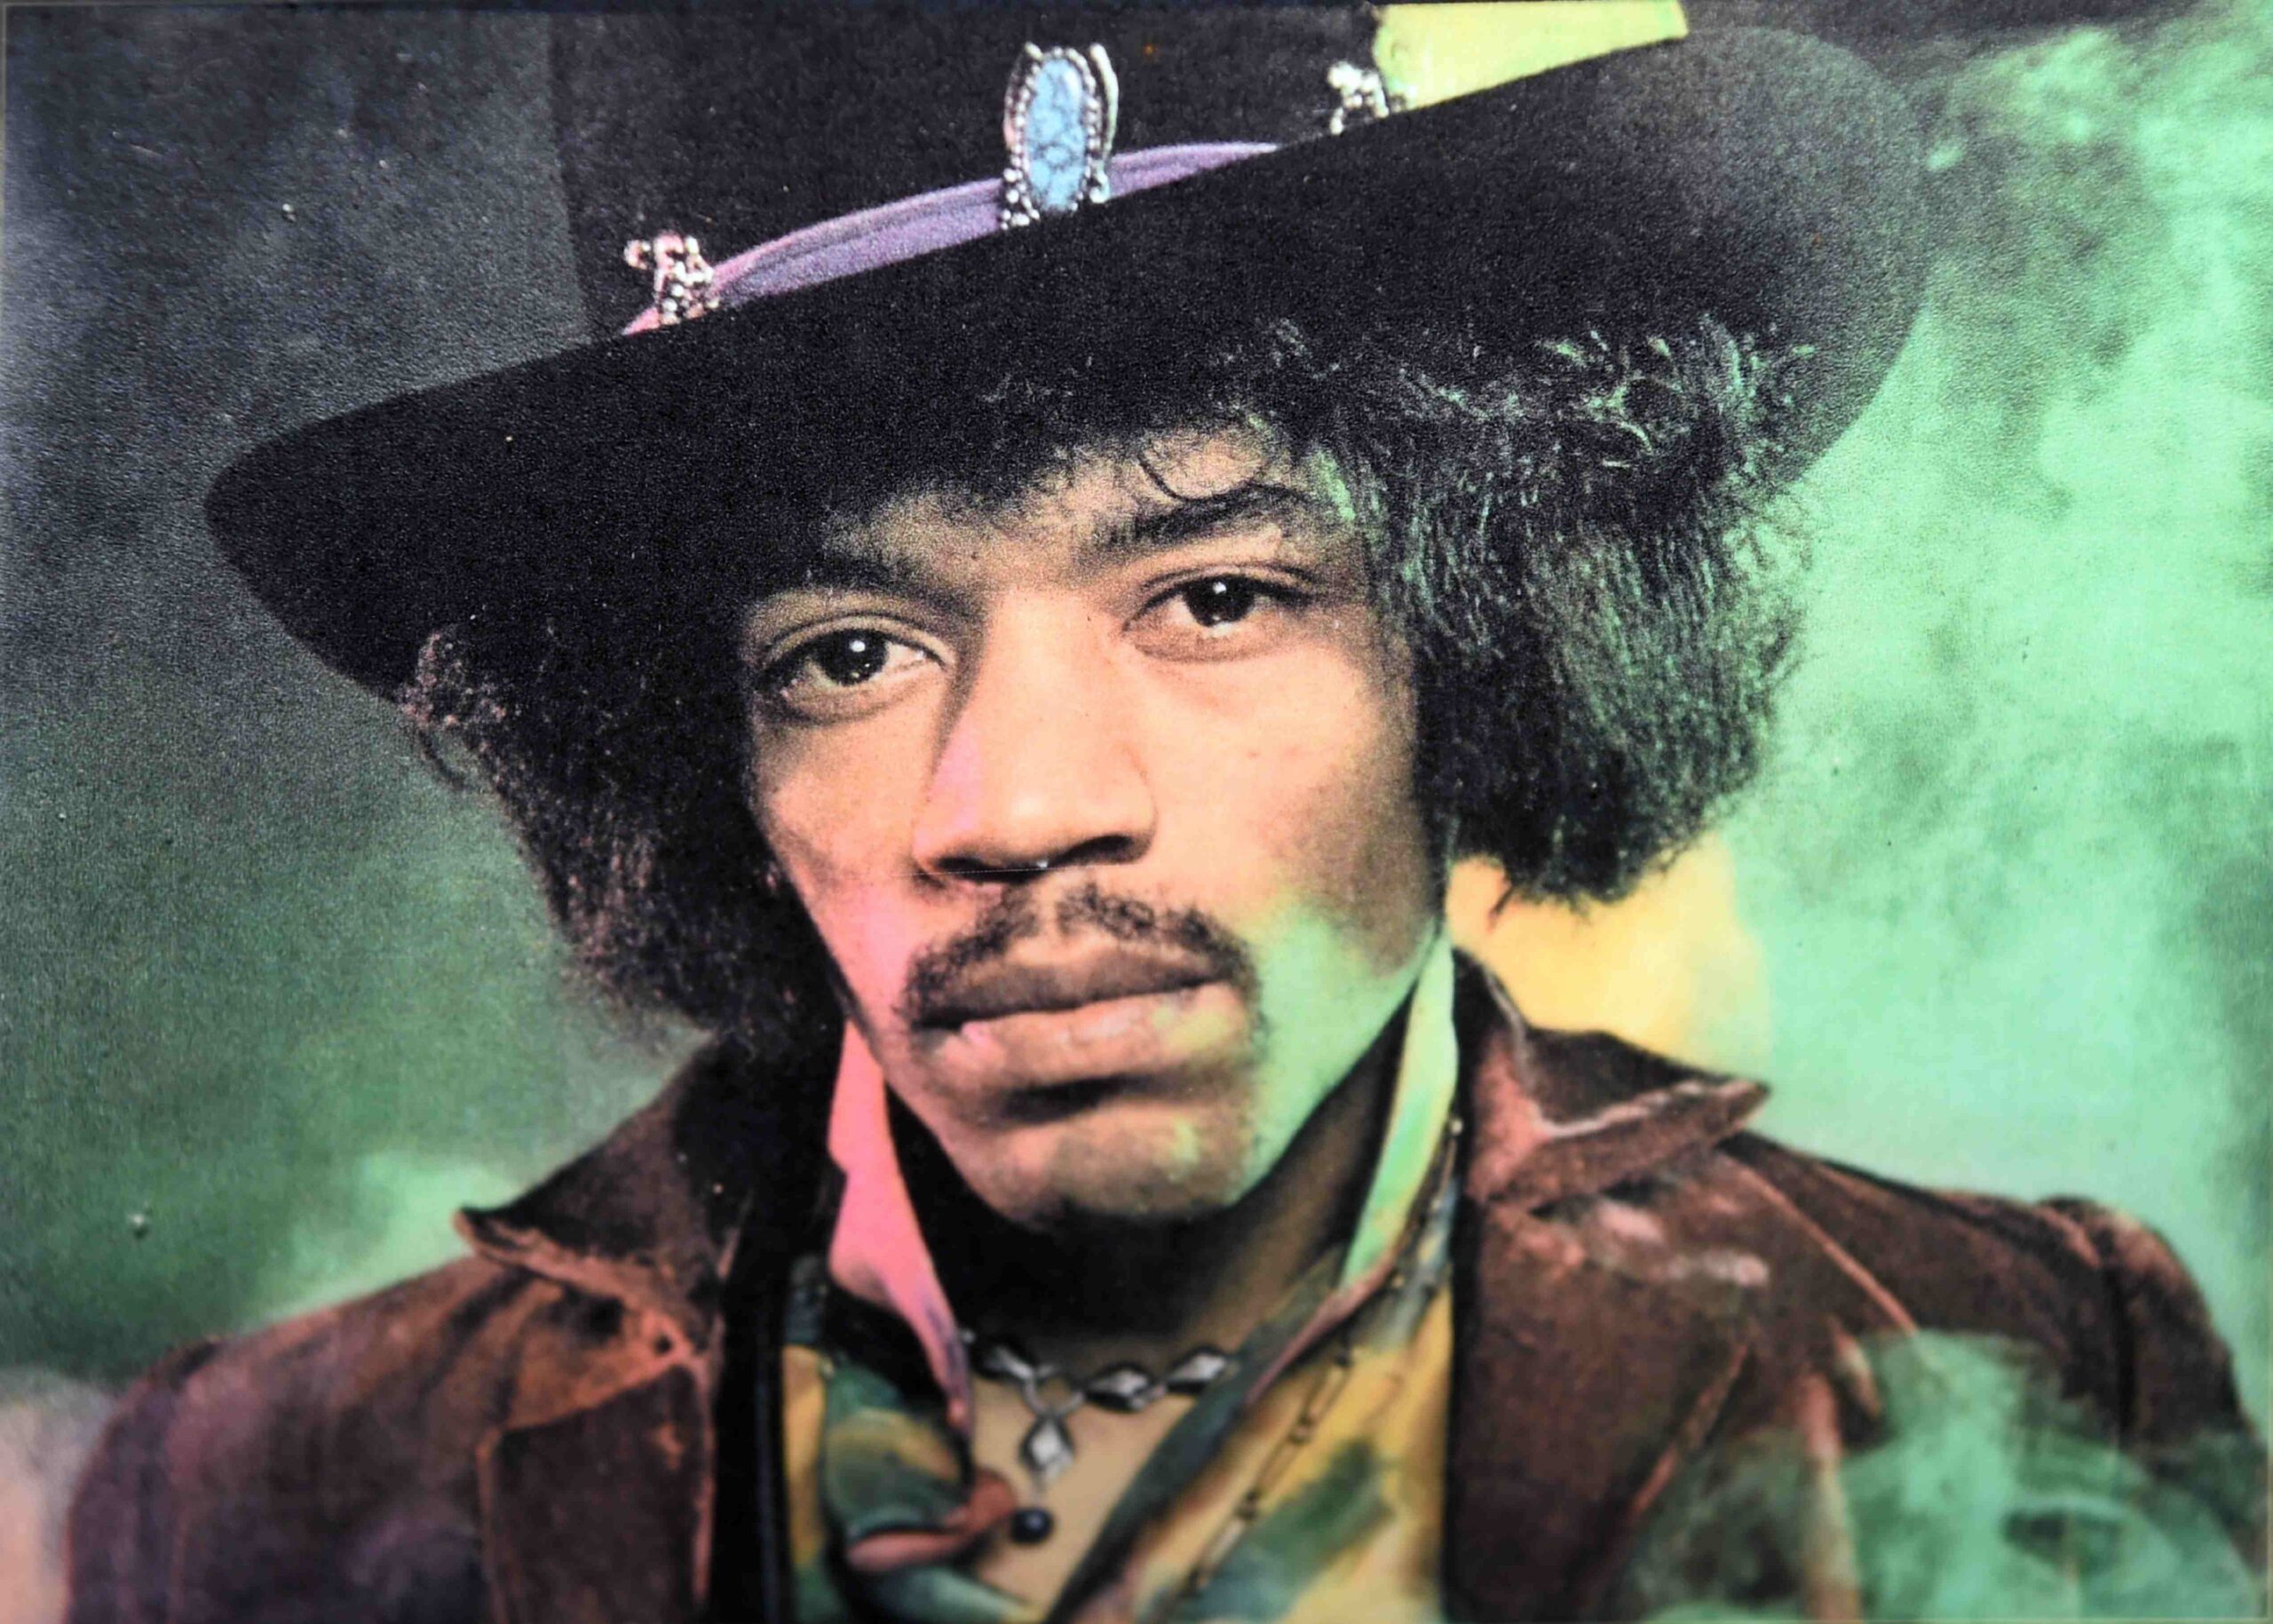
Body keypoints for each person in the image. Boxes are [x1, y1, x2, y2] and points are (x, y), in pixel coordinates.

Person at [63, 7, 2263, 1622]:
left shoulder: (2017, 1360)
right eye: (849, 653)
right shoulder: (261, 1497)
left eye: (1214, 598)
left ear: (1483, 637)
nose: (1020, 808)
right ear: (697, 755)